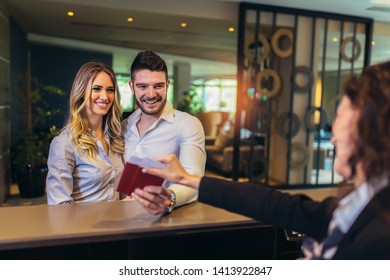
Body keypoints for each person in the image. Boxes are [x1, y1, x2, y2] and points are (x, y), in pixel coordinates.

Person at [141, 61, 390, 259]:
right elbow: (279, 205)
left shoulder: (378, 241)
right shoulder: (360, 201)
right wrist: (188, 179)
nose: (333, 138)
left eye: (342, 121)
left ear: (373, 134)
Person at [122, 50, 206, 215]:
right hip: (121, 218)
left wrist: (169, 198)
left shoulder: (187, 124)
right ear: (132, 87)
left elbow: (193, 177)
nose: (151, 94)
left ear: (167, 85)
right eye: (143, 86)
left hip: (164, 222)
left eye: (158, 86)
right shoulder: (124, 125)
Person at [46, 61, 125, 204]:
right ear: (81, 91)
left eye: (110, 90)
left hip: (118, 224)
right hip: (84, 226)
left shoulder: (116, 138)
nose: (105, 97)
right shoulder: (64, 143)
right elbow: (58, 207)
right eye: (97, 89)